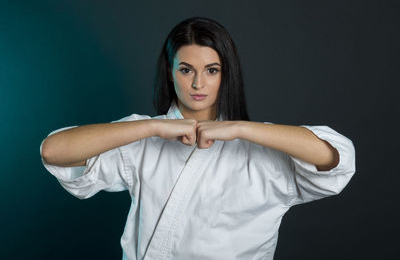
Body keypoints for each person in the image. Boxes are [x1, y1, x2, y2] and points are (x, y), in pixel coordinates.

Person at [40, 16, 356, 260]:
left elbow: (336, 159)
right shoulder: (144, 139)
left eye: (212, 70)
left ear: (227, 73)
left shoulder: (261, 150)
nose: (198, 83)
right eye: (186, 70)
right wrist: (152, 127)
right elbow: (54, 151)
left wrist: (241, 129)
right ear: (170, 72)